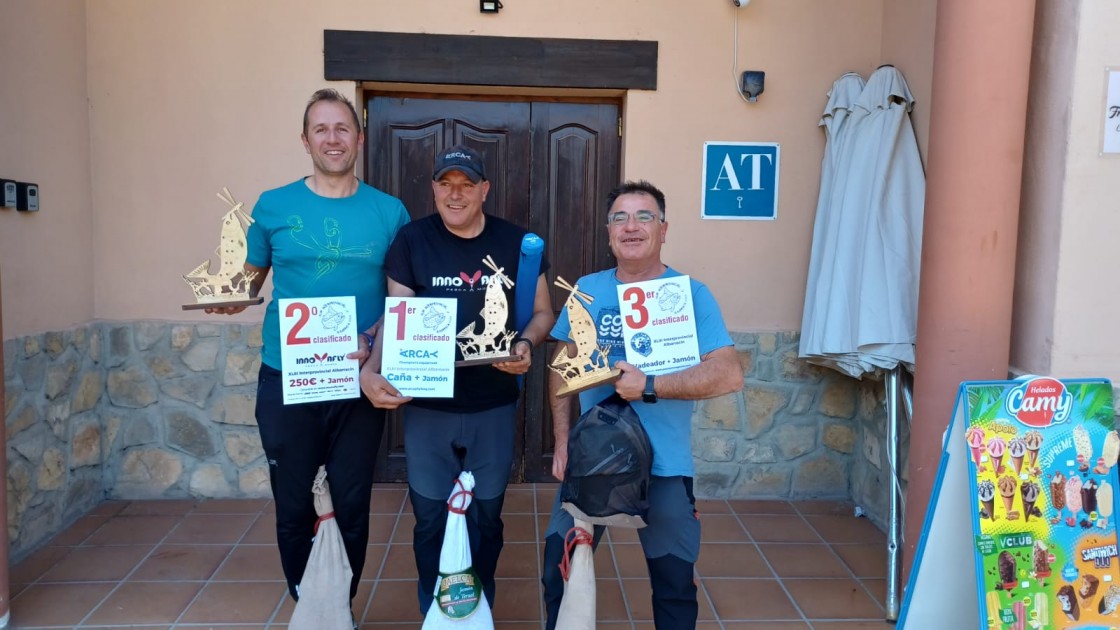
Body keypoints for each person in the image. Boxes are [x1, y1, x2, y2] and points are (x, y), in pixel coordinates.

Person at [207, 88, 410, 608]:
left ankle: (339, 608)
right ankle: (307, 606)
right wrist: (232, 295)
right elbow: (251, 280)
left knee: (351, 505)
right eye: (321, 129)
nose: (332, 138)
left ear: (359, 138)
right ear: (305, 140)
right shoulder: (273, 205)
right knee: (294, 505)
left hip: (357, 380)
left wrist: (375, 348)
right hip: (287, 377)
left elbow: (400, 299)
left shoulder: (389, 212)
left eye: (342, 128)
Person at [360, 144, 555, 614]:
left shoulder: (516, 243)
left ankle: (477, 606)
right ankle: (436, 609)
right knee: (429, 518)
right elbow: (396, 315)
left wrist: (525, 344)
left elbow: (545, 312)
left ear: (483, 190)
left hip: (492, 404)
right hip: (428, 407)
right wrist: (371, 368)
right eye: (446, 184)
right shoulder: (412, 241)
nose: (455, 194)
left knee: (487, 517)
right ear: (433, 189)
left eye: (466, 185)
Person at [541, 180, 743, 630]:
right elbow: (560, 366)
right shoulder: (588, 290)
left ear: (664, 229)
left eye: (644, 217)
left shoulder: (691, 294)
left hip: (666, 469)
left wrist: (651, 384)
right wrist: (560, 441)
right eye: (620, 218)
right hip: (593, 463)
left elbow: (728, 374)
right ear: (609, 232)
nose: (631, 227)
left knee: (673, 586)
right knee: (561, 575)